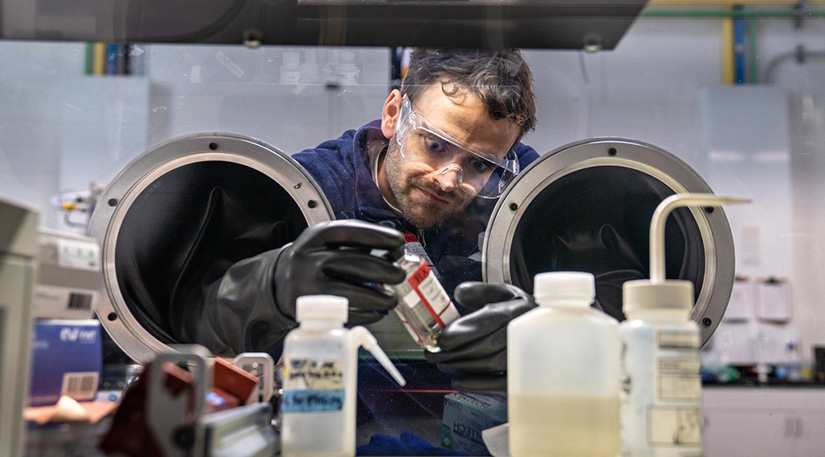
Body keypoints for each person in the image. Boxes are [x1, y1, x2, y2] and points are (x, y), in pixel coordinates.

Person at [170, 48, 543, 393]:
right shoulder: (308, 192)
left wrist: (536, 333)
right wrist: (271, 286)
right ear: (393, 115)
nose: (449, 179)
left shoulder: (517, 190)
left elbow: (595, 298)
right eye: (434, 145)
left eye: (479, 164)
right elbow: (184, 325)